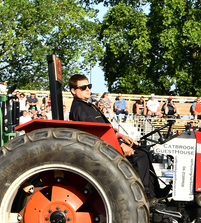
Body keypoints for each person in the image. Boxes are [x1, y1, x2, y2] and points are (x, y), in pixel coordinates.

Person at [68, 74, 159, 203]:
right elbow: (95, 135)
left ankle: (155, 191)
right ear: (73, 91)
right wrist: (120, 145)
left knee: (143, 150)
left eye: (89, 86)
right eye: (83, 87)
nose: (88, 89)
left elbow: (105, 129)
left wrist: (122, 136)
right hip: (101, 150)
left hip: (109, 143)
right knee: (140, 156)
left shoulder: (88, 106)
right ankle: (144, 195)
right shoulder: (80, 109)